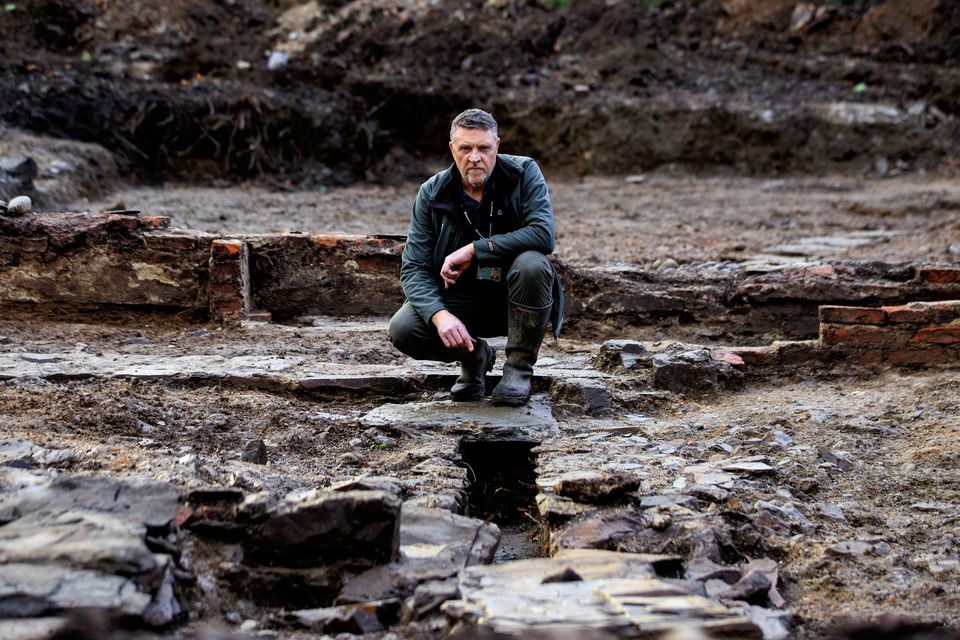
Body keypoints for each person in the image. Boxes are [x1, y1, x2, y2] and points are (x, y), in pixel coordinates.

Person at [388, 108, 563, 406]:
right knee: (403, 330)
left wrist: (475, 249)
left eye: (483, 148)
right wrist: (440, 316)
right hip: (461, 300)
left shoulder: (523, 173)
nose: (475, 157)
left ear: (497, 146)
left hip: (515, 297)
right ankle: (476, 357)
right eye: (465, 148)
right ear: (452, 149)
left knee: (533, 263)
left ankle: (518, 370)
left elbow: (543, 235)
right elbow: (414, 268)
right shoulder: (432, 193)